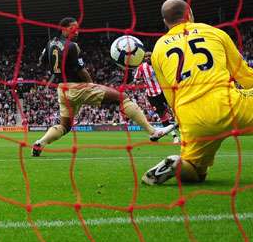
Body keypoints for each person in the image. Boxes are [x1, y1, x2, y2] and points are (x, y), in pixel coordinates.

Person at [142, 0, 253, 185]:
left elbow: (170, 95)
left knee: (196, 172)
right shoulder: (214, 33)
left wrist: (183, 122)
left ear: (165, 22)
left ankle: (178, 165)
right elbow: (244, 75)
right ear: (189, 13)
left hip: (192, 118)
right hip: (228, 105)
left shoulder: (158, 49)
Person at [32, 17, 176, 157]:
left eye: (78, 29)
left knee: (65, 126)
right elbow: (80, 69)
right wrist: (91, 84)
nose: (76, 32)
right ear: (64, 29)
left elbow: (41, 60)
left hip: (62, 89)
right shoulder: (72, 46)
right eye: (72, 29)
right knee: (123, 98)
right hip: (78, 87)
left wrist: (56, 71)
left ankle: (40, 142)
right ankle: (153, 132)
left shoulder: (50, 43)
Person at [134, 52, 180, 143]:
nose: (147, 58)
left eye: (149, 56)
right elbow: (136, 79)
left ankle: (183, 130)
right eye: (145, 57)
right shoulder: (141, 68)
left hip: (164, 91)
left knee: (175, 110)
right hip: (152, 95)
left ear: (153, 56)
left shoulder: (158, 64)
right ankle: (174, 136)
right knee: (162, 116)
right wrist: (139, 82)